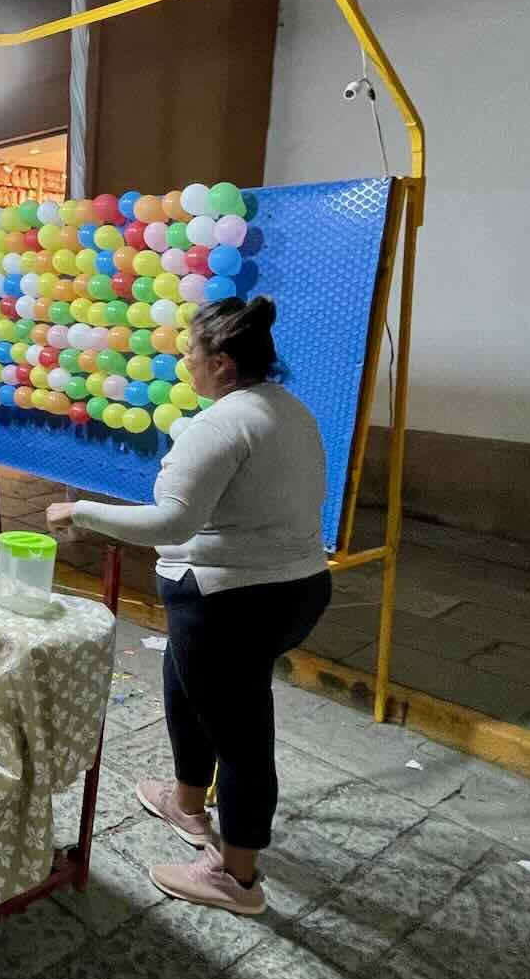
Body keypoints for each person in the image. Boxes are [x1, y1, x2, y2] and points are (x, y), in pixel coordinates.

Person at [46, 296, 329, 917]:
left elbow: (173, 520)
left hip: (234, 600)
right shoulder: (290, 411)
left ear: (223, 362)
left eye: (191, 353)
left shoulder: (222, 424)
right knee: (184, 683)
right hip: (291, 588)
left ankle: (238, 876)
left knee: (243, 733)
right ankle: (187, 803)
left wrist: (81, 512)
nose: (185, 363)